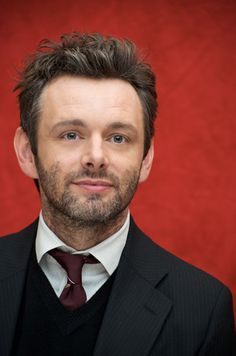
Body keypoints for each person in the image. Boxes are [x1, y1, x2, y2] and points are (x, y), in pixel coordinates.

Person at [0, 32, 235, 356]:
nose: (96, 156)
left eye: (119, 138)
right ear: (28, 152)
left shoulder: (203, 309)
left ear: (146, 159)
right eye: (71, 134)